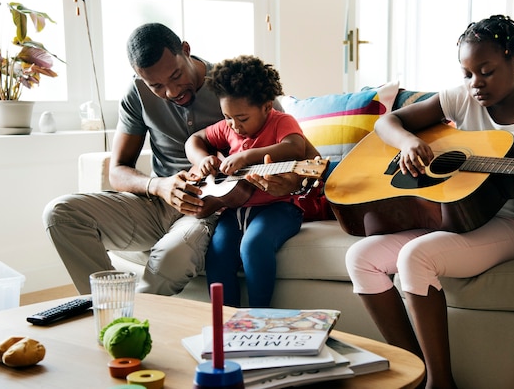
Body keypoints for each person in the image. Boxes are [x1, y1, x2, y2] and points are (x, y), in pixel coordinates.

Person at [344, 15, 514, 388]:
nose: (476, 83)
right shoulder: (461, 96)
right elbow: (387, 123)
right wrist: (409, 142)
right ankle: (412, 373)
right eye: (468, 73)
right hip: (460, 212)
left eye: (487, 71)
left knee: (416, 257)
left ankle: (440, 382)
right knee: (360, 257)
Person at [43, 23, 317, 296]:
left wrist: (291, 185)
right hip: (154, 202)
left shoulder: (234, 87)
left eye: (176, 76)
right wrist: (159, 186)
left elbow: (304, 155)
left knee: (172, 256)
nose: (172, 92)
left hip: (208, 207)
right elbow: (117, 171)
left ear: (186, 50)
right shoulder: (137, 93)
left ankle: (133, 315)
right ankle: (111, 306)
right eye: (157, 86)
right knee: (60, 213)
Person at [185, 55, 306, 307]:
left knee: (254, 245)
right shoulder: (227, 127)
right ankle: (227, 321)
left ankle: (259, 316)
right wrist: (203, 159)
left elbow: (295, 147)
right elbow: (193, 140)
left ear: (265, 106)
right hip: (234, 210)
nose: (234, 126)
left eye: (242, 118)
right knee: (217, 254)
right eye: (227, 117)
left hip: (278, 208)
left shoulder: (281, 121)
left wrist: (247, 156)